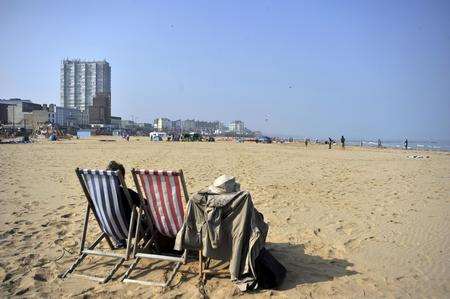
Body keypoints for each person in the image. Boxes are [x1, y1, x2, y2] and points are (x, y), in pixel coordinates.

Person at [106, 161, 141, 247]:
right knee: (147, 220)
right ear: (122, 178)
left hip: (109, 228)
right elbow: (145, 205)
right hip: (130, 230)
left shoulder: (99, 194)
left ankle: (120, 242)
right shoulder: (127, 193)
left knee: (114, 217)